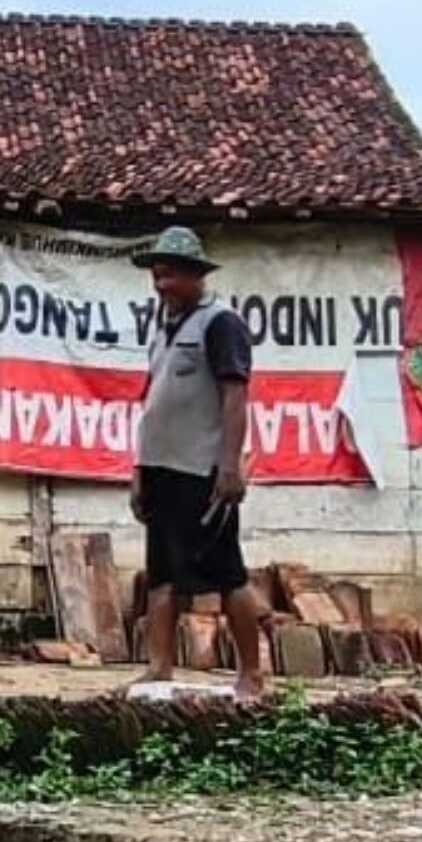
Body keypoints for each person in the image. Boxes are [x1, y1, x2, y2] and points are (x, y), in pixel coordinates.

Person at [129, 226, 270, 699]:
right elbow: (152, 404)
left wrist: (229, 466)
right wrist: (138, 470)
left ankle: (251, 675)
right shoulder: (162, 328)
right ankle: (159, 668)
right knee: (161, 575)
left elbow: (235, 396)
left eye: (170, 276)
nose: (161, 285)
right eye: (156, 276)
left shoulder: (221, 323)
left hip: (202, 471)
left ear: (196, 275)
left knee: (227, 573)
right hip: (160, 469)